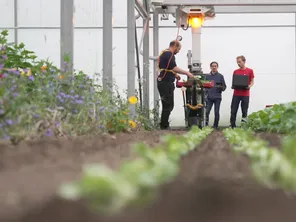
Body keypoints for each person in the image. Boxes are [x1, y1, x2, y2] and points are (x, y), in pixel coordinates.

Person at [157, 40, 195, 130]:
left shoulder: (165, 54)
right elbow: (174, 67)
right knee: (168, 104)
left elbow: (167, 68)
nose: (178, 51)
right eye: (179, 49)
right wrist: (187, 73)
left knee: (169, 104)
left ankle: (164, 124)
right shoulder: (169, 54)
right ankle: (164, 126)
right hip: (165, 82)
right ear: (175, 46)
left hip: (165, 81)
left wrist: (174, 75)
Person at [230, 55, 255, 128]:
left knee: (244, 111)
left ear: (244, 61)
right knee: (233, 110)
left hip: (245, 94)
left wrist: (249, 86)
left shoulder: (250, 71)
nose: (238, 63)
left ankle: (243, 126)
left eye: (240, 62)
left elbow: (252, 81)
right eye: (237, 62)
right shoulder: (235, 71)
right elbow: (234, 81)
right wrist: (233, 86)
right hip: (236, 93)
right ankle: (232, 125)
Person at [205, 61, 226, 129]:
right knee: (207, 111)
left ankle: (215, 125)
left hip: (217, 97)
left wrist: (221, 88)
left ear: (217, 67)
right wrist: (206, 93)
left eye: (215, 66)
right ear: (210, 67)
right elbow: (204, 86)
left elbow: (224, 87)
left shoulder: (220, 76)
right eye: (212, 66)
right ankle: (206, 124)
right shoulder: (207, 76)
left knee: (216, 112)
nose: (214, 67)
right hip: (209, 97)